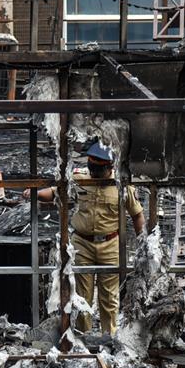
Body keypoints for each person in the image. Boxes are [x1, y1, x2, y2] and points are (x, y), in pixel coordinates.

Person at [24, 141, 146, 335]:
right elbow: (56, 193)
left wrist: (143, 245)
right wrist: (34, 193)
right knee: (82, 296)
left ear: (110, 167)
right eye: (92, 168)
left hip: (110, 244)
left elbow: (137, 215)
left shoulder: (122, 186)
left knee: (109, 297)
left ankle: (109, 337)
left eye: (99, 170)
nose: (94, 174)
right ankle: (84, 337)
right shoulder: (80, 179)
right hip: (83, 244)